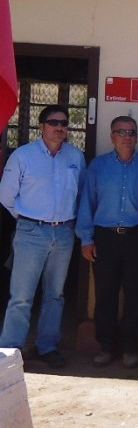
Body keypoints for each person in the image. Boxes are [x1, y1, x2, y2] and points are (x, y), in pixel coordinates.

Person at [0, 104, 86, 368]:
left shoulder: (75, 157)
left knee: (55, 295)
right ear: (41, 126)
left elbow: (81, 192)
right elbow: (6, 196)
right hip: (31, 232)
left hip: (64, 232)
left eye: (64, 123)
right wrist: (29, 219)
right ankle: (10, 351)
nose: (59, 127)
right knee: (21, 296)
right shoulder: (23, 156)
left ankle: (47, 346)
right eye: (53, 122)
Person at [76, 116, 138, 369]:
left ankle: (131, 348)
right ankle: (106, 347)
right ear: (112, 136)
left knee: (136, 294)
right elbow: (87, 203)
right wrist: (86, 238)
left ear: (137, 137)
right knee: (105, 294)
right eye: (121, 132)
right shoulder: (98, 166)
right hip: (105, 237)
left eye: (131, 132)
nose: (127, 137)